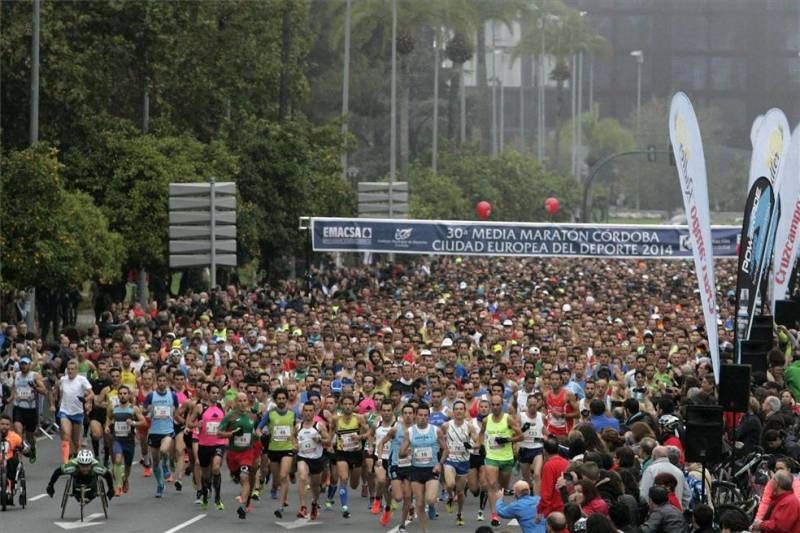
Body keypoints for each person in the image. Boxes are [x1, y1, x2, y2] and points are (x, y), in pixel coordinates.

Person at [401, 402, 448, 533]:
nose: (422, 417)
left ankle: (432, 505)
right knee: (420, 504)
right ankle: (425, 530)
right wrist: (406, 452)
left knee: (430, 499)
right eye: (420, 415)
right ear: (416, 416)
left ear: (429, 416)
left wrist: (439, 464)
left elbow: (445, 450)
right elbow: (401, 452)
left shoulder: (436, 430)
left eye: (425, 415)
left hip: (431, 469)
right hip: (416, 470)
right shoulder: (409, 432)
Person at [480, 393, 522, 526]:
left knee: (502, 487)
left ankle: (500, 505)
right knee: (492, 484)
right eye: (493, 404)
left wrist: (507, 439)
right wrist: (482, 445)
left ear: (502, 406)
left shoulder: (508, 419)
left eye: (498, 405)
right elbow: (481, 433)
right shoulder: (487, 420)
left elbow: (520, 436)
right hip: (491, 457)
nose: (495, 407)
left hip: (506, 458)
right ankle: (494, 515)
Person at [187, 382, 227, 509]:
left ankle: (218, 498)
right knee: (205, 474)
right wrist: (196, 425)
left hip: (218, 444)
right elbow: (189, 422)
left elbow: (226, 423)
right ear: (208, 393)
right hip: (204, 445)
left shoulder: (221, 406)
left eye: (217, 393)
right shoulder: (200, 407)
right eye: (213, 393)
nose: (215, 395)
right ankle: (204, 495)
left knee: (215, 468)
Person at [258, 387, 296, 518]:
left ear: (286, 399)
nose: (281, 401)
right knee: (277, 478)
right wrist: (261, 434)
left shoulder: (292, 414)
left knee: (283, 475)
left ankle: (281, 506)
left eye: (283, 398)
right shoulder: (270, 414)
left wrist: (296, 442)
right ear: (275, 400)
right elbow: (259, 428)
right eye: (279, 398)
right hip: (273, 450)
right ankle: (275, 488)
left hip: (287, 449)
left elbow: (296, 430)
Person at [330, 394, 369, 519]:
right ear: (341, 405)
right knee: (344, 478)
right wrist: (330, 445)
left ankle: (356, 484)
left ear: (353, 405)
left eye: (349, 404)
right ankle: (344, 507)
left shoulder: (359, 418)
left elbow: (369, 432)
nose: (347, 406)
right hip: (341, 453)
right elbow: (331, 433)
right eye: (345, 404)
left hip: (356, 453)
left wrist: (361, 437)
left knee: (353, 484)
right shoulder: (336, 419)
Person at [141, 373, 179, 498]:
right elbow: (143, 410)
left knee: (164, 450)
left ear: (167, 382)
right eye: (160, 381)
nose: (162, 383)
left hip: (167, 430)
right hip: (154, 432)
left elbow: (177, 409)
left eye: (164, 381)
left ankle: (166, 465)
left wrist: (174, 416)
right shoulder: (151, 396)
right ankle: (160, 484)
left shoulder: (172, 396)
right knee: (155, 462)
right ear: (156, 382)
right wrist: (148, 410)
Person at [440, 399, 477, 526]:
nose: (459, 411)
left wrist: (470, 445)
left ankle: (459, 514)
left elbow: (478, 443)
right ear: (453, 411)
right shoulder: (446, 425)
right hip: (450, 460)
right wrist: (444, 446)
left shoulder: (469, 426)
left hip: (464, 462)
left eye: (461, 409)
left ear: (465, 411)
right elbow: (439, 439)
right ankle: (450, 496)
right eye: (456, 409)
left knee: (460, 492)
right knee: (450, 484)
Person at [105, 385, 145, 496]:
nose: (122, 396)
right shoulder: (114, 408)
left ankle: (125, 479)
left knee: (127, 466)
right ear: (118, 395)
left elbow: (143, 422)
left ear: (128, 395)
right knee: (117, 460)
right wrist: (107, 427)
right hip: (117, 440)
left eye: (125, 393)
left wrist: (133, 423)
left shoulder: (133, 409)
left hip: (129, 441)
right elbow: (108, 418)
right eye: (120, 394)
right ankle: (118, 486)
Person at [52, 360, 94, 464]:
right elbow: (55, 391)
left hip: (78, 412)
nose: (70, 371)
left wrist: (87, 400)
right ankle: (66, 462)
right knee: (66, 435)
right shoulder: (63, 379)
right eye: (68, 369)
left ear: (76, 370)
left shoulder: (82, 380)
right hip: (65, 411)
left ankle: (76, 456)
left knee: (75, 440)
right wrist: (54, 400)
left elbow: (92, 394)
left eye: (72, 369)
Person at [294, 400, 329, 520]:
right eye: (306, 411)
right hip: (302, 457)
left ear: (314, 412)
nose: (308, 413)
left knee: (315, 486)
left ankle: (314, 503)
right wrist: (295, 445)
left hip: (317, 459)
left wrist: (320, 440)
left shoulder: (319, 426)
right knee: (303, 477)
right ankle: (303, 507)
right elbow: (293, 438)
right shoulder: (298, 426)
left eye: (310, 411)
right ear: (302, 412)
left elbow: (328, 441)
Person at [46, 448, 114, 506]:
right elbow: (58, 472)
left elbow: (107, 475)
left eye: (87, 466)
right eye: (82, 465)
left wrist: (111, 489)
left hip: (91, 480)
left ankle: (91, 495)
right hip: (77, 479)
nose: (84, 468)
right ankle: (78, 494)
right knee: (76, 480)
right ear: (78, 463)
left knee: (93, 479)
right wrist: (50, 485)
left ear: (91, 464)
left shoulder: (96, 466)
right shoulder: (72, 465)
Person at [11, 356, 46, 463]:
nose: (23, 366)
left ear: (30, 365)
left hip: (31, 410)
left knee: (30, 436)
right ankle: (19, 459)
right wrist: (9, 399)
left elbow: (44, 390)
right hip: (18, 408)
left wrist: (35, 387)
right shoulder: (16, 376)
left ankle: (33, 448)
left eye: (25, 364)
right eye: (21, 364)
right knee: (18, 432)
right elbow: (14, 389)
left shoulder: (35, 376)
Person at [518, 394, 547, 495]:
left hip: (537, 449)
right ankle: (530, 490)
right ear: (527, 404)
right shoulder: (521, 417)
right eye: (530, 405)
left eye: (534, 405)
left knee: (537, 474)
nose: (532, 408)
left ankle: (537, 500)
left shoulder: (541, 416)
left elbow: (544, 431)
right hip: (524, 449)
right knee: (526, 479)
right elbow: (516, 433)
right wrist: (523, 430)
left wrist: (549, 437)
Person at [538, 438, 569, 522]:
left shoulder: (548, 465)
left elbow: (546, 492)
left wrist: (540, 510)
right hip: (566, 506)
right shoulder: (566, 462)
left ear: (544, 451)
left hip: (554, 509)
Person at [0, 414, 30, 503]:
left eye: (7, 424)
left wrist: (25, 450)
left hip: (9, 461)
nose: (4, 426)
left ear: (10, 426)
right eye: (2, 424)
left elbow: (24, 447)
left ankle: (9, 485)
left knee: (14, 460)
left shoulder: (14, 437)